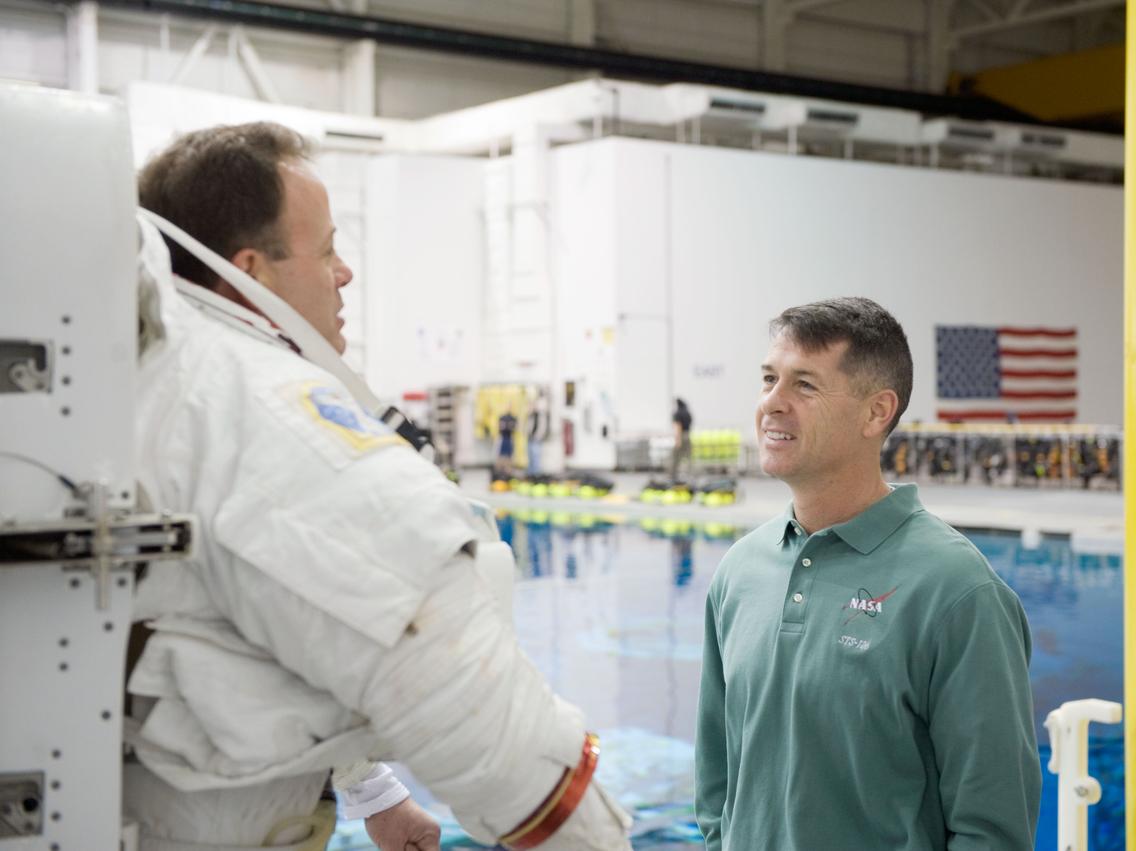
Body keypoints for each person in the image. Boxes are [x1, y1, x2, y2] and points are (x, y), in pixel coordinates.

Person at [130, 122, 632, 851]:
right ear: (252, 269)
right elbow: (502, 741)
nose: (344, 273)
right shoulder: (275, 422)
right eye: (327, 248)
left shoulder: (159, 384)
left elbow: (279, 626)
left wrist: (375, 792)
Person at [694, 297, 1039, 850]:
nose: (771, 404)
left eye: (804, 385)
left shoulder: (956, 591)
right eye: (768, 379)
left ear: (876, 412)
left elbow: (992, 828)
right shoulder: (740, 572)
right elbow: (716, 787)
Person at [670, 398, 693, 483]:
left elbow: (678, 426)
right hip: (688, 435)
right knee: (688, 457)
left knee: (676, 457)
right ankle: (690, 475)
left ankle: (673, 476)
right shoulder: (687, 413)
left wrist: (678, 439)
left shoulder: (678, 413)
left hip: (681, 435)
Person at [497, 406, 518, 476]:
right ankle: (500, 473)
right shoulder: (502, 418)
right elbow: (501, 428)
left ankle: (508, 473)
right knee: (501, 456)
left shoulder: (513, 418)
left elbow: (513, 428)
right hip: (503, 438)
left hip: (509, 439)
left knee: (509, 457)